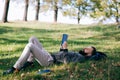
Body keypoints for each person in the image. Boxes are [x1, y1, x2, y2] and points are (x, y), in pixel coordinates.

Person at [3, 36, 107, 75]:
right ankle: (30, 62)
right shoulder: (78, 53)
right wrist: (62, 49)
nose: (86, 48)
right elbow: (63, 55)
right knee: (33, 38)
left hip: (49, 60)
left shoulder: (81, 58)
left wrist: (65, 50)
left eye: (88, 48)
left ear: (90, 53)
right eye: (87, 46)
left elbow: (67, 63)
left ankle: (15, 68)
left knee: (30, 45)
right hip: (49, 54)